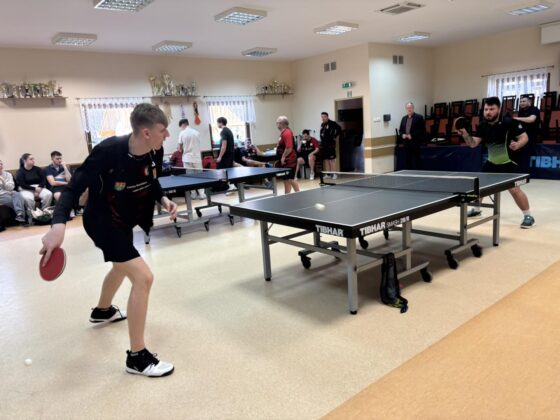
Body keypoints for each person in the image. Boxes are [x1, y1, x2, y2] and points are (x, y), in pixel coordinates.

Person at [40, 103, 178, 377]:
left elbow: (152, 181)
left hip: (124, 220)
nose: (167, 135)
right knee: (143, 277)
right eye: (163, 130)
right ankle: (137, 358)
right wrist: (58, 225)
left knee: (120, 266)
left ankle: (103, 311)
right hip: (101, 222)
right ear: (147, 132)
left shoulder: (155, 150)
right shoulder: (108, 151)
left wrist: (163, 199)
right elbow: (72, 189)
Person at [458, 96, 535, 228]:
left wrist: (518, 144)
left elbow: (524, 137)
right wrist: (465, 135)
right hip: (491, 162)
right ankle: (476, 209)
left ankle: (528, 216)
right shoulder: (482, 125)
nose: (488, 112)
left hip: (508, 162)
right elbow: (473, 144)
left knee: (514, 190)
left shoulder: (509, 122)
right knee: (478, 186)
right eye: (486, 109)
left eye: (491, 109)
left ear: (498, 109)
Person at [16, 153, 53, 220]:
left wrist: (39, 188)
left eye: (33, 159)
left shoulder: (38, 169)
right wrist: (34, 189)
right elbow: (22, 184)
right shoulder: (20, 171)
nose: (33, 160)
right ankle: (31, 216)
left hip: (38, 187)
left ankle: (44, 213)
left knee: (48, 194)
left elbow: (43, 180)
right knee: (28, 198)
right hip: (25, 189)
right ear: (24, 161)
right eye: (31, 159)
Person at [177, 118, 205, 199]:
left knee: (190, 177)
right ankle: (202, 194)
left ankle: (193, 194)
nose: (181, 128)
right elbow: (199, 145)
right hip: (197, 158)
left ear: (183, 124)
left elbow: (179, 149)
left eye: (181, 126)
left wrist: (180, 148)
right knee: (200, 177)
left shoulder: (182, 133)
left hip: (187, 158)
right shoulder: (196, 132)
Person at [514, 96, 540, 173]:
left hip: (532, 134)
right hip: (523, 134)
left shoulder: (534, 109)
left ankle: (524, 172)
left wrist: (517, 118)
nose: (522, 103)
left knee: (524, 149)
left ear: (529, 102)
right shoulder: (521, 111)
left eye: (524, 101)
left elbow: (531, 119)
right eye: (521, 101)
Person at [275, 116, 300, 194]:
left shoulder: (287, 133)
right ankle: (286, 196)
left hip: (289, 160)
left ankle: (299, 194)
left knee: (291, 179)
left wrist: (283, 157)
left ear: (282, 123)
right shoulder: (283, 132)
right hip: (285, 161)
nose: (276, 124)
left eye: (277, 122)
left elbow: (289, 147)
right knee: (286, 179)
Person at [398, 102, 425, 170]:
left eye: (410, 108)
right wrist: (402, 135)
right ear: (406, 109)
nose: (409, 109)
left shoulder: (419, 117)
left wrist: (412, 135)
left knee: (417, 160)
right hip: (406, 143)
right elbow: (400, 130)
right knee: (408, 160)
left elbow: (421, 130)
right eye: (407, 108)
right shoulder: (404, 118)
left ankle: (418, 173)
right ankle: (408, 172)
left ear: (413, 108)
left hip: (415, 143)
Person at [0, 159, 26, 224]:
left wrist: (3, 181)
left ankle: (20, 216)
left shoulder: (8, 174)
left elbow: (11, 188)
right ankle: (22, 216)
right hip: (1, 195)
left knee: (17, 194)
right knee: (18, 201)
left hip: (9, 193)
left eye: (1, 164)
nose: (0, 166)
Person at [320, 112, 341, 179]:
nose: (323, 118)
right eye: (322, 117)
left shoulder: (332, 123)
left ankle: (334, 174)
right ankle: (328, 174)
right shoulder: (322, 125)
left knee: (332, 160)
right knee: (326, 160)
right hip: (324, 145)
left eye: (324, 117)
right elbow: (323, 133)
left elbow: (339, 129)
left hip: (330, 145)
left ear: (327, 117)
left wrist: (334, 136)